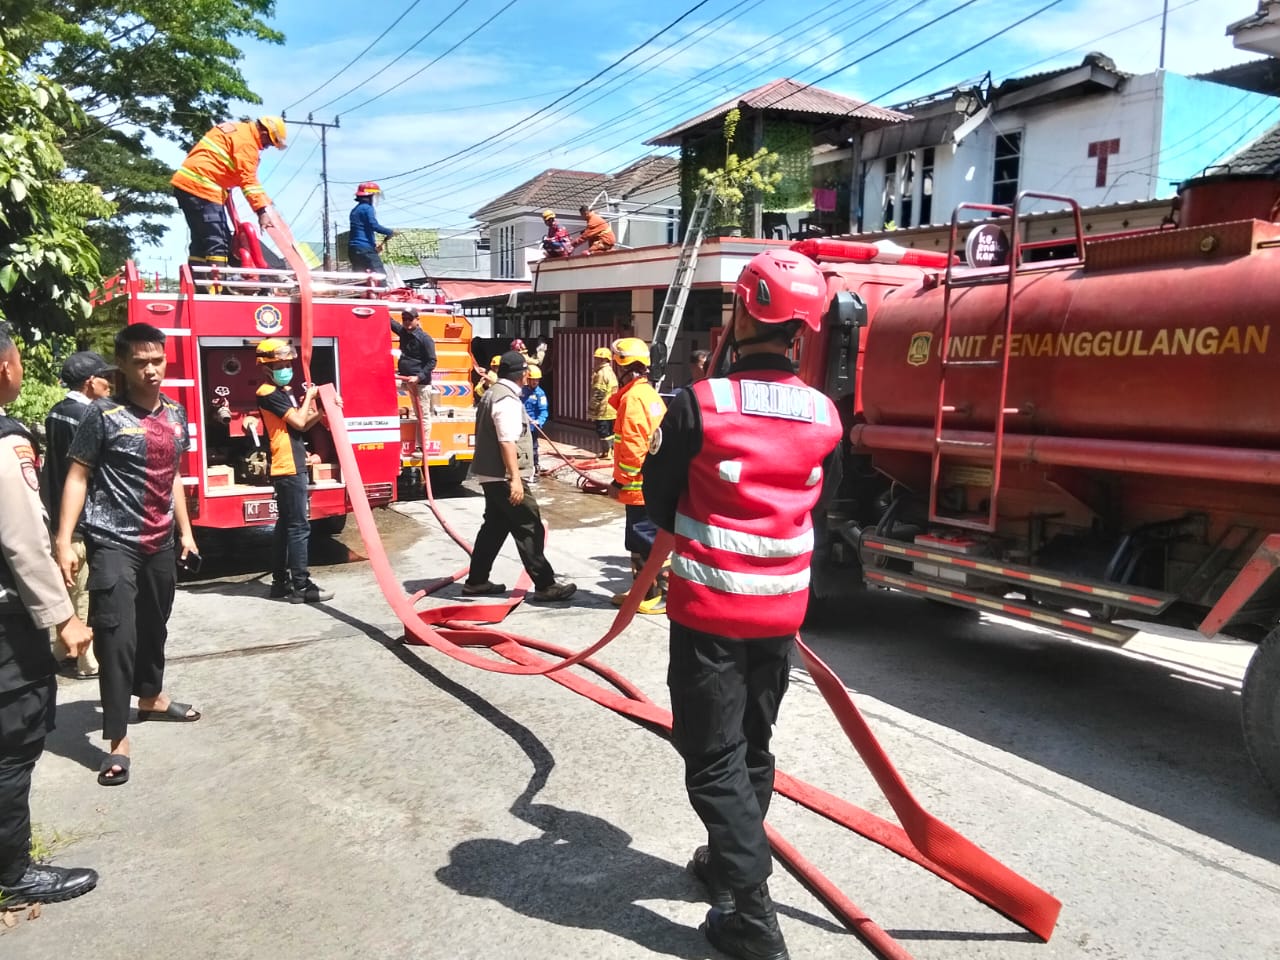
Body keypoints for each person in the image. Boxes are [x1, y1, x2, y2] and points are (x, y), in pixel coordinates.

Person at [642, 250, 843, 960]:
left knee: (710, 754)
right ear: (803, 329)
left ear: (741, 314)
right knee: (752, 746)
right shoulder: (824, 414)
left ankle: (751, 917)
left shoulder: (701, 404)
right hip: (780, 614)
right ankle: (727, 868)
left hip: (710, 614)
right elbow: (825, 505)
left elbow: (657, 499)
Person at [55, 323, 201, 787]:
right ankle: (117, 739)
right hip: (113, 542)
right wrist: (63, 540)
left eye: (157, 360)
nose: (151, 369)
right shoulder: (103, 414)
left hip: (160, 542)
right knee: (117, 636)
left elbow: (173, 475)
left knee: (155, 624)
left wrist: (186, 531)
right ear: (122, 365)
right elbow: (78, 476)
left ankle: (151, 697)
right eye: (140, 362)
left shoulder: (175, 413)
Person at [0, 323, 99, 905]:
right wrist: (64, 618)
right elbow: (22, 541)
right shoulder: (5, 440)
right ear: (4, 367)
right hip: (7, 626)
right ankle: (12, 874)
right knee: (13, 743)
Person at [464, 352, 576, 603]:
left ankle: (477, 581)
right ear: (523, 374)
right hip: (504, 476)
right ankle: (546, 585)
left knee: (494, 528)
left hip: (491, 474)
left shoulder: (493, 393)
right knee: (529, 525)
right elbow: (507, 441)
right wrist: (515, 478)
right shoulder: (507, 400)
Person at [42, 352, 115, 679]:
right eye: (104, 377)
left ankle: (60, 649)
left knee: (65, 586)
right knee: (84, 589)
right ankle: (87, 660)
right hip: (82, 518)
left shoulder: (56, 413)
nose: (109, 384)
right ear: (89, 382)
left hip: (57, 515)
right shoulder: (87, 416)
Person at [254, 339, 333, 605]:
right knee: (299, 527)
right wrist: (310, 397)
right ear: (266, 368)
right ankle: (302, 585)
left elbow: (301, 425)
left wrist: (323, 409)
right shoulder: (268, 393)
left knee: (285, 526)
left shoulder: (280, 391)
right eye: (280, 366)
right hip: (287, 466)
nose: (286, 370)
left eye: (288, 365)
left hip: (290, 464)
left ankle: (280, 583)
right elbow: (299, 421)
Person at [171, 116, 286, 281]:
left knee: (201, 240)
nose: (266, 147)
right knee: (219, 241)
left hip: (187, 187)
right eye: (269, 143)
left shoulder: (236, 130)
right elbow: (248, 181)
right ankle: (218, 287)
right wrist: (262, 211)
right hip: (204, 189)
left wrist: (266, 202)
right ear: (263, 132)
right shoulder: (247, 143)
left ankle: (199, 285)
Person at [606, 338, 666, 615]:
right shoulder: (649, 394)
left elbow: (632, 448)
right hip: (650, 482)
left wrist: (620, 482)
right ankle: (642, 592)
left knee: (646, 539)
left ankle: (661, 593)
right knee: (638, 539)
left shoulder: (632, 399)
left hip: (639, 486)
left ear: (622, 367)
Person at [391, 307, 437, 440]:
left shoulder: (425, 339)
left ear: (417, 320)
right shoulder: (403, 332)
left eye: (410, 319)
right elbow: (390, 322)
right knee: (384, 385)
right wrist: (378, 305)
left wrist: (418, 377)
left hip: (420, 383)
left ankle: (421, 446)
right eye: (404, 319)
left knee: (422, 415)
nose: (407, 322)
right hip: (405, 379)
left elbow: (432, 361)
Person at [349, 182, 396, 275]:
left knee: (361, 277)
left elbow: (364, 229)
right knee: (380, 276)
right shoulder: (368, 208)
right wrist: (390, 232)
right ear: (369, 196)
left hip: (353, 250)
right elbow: (374, 225)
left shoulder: (355, 210)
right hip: (365, 249)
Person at [588, 347, 618, 459]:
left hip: (603, 409)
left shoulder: (601, 373)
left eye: (597, 359)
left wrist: (592, 407)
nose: (595, 360)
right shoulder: (610, 372)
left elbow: (599, 392)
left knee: (603, 431)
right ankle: (612, 451)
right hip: (612, 408)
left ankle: (607, 452)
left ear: (604, 360)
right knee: (610, 431)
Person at [522, 364, 549, 480]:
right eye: (533, 380)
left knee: (533, 448)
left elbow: (544, 411)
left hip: (533, 427)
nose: (535, 382)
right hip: (521, 426)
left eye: (537, 380)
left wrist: (538, 421)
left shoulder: (540, 394)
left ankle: (534, 467)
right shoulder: (521, 391)